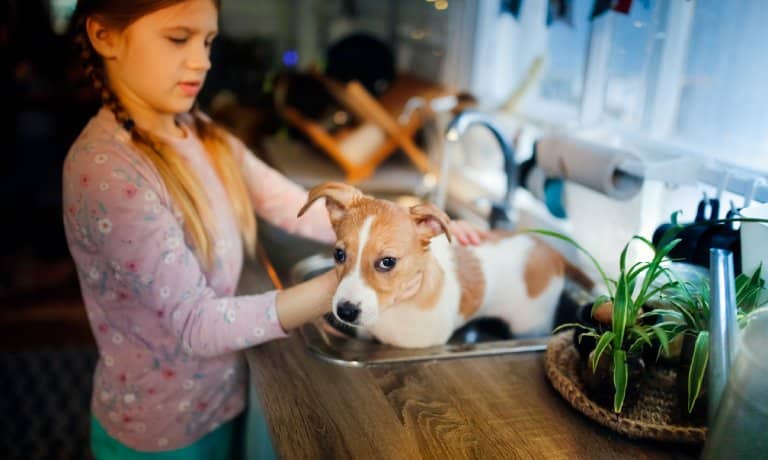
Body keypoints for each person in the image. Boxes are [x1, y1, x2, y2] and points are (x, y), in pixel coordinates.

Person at [63, 0, 486, 457]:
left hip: (221, 395)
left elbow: (286, 202)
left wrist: (400, 227)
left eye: (207, 41)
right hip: (156, 427)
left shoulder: (198, 130)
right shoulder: (106, 173)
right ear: (105, 37)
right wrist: (352, 283)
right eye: (178, 38)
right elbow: (196, 324)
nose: (202, 60)